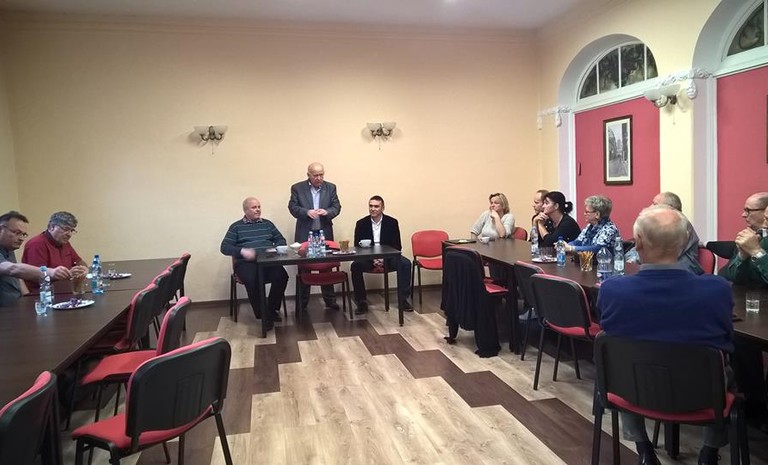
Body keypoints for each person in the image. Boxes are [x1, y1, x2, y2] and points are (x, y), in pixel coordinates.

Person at [598, 205, 733, 465]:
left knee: (622, 363)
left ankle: (644, 450)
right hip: (702, 393)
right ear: (684, 243)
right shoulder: (717, 289)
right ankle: (709, 452)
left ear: (637, 242)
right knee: (724, 368)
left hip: (633, 390)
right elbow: (726, 340)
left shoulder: (612, 290)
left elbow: (610, 330)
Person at [718, 192, 768, 431]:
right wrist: (741, 255)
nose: (743, 215)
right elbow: (727, 275)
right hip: (754, 306)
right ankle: (755, 405)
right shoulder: (754, 238)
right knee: (738, 338)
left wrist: (757, 254)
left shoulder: (759, 243)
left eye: (750, 210)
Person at [220, 197, 289, 331]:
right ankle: (263, 314)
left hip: (268, 260)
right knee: (252, 278)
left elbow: (280, 239)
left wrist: (276, 248)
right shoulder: (236, 227)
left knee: (281, 276)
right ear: (245, 210)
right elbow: (224, 247)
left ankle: (271, 309)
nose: (258, 210)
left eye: (259, 207)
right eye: (254, 207)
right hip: (246, 263)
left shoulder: (268, 224)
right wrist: (242, 251)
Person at [288, 162, 341, 310]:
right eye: (316, 175)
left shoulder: (330, 187)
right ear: (308, 175)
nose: (319, 178)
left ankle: (330, 301)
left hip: (324, 232)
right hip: (305, 233)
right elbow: (292, 207)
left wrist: (327, 212)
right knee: (304, 268)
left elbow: (336, 207)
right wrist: (306, 212)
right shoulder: (297, 188)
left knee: (326, 267)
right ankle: (302, 303)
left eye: (321, 175)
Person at [351, 196, 412, 314]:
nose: (373, 209)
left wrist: (383, 258)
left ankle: (403, 300)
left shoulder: (392, 222)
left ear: (382, 208)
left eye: (376, 206)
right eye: (371, 206)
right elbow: (357, 247)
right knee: (355, 266)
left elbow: (397, 246)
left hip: (388, 258)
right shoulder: (361, 223)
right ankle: (361, 301)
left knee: (405, 264)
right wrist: (372, 257)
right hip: (368, 258)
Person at [0, 211, 71, 306]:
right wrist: (50, 272)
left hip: (16, 304)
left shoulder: (8, 248)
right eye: (17, 233)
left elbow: (18, 277)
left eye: (23, 234)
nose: (21, 238)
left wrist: (27, 298)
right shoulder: (36, 243)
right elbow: (13, 269)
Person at [625, 192, 704, 274]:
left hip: (681, 273)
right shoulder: (662, 223)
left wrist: (631, 261)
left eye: (655, 204)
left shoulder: (678, 224)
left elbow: (656, 254)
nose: (650, 207)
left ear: (669, 207)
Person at [21, 211, 88, 292]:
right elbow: (38, 275)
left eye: (72, 230)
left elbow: (79, 262)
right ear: (51, 227)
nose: (69, 234)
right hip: (43, 294)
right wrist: (68, 274)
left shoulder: (65, 243)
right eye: (66, 229)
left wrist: (83, 269)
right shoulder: (36, 244)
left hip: (64, 290)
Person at [719, 192, 768, 285]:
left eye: (748, 210)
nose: (764, 225)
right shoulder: (755, 238)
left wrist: (756, 252)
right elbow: (725, 276)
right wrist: (742, 257)